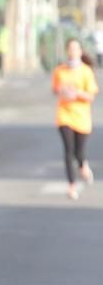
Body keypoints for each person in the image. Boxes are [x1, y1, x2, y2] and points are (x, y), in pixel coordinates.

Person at [52, 38, 99, 201]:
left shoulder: (86, 71)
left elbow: (91, 96)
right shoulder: (60, 70)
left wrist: (77, 93)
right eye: (70, 48)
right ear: (67, 51)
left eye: (75, 48)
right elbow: (56, 89)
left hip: (82, 117)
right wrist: (63, 91)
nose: (72, 51)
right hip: (64, 115)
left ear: (80, 51)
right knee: (68, 150)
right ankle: (71, 186)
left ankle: (82, 165)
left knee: (79, 152)